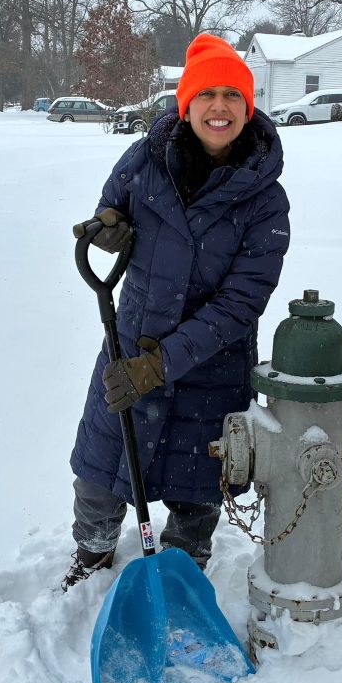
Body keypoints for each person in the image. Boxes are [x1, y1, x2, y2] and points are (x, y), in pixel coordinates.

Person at [63, 33, 290, 591]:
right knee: (102, 467)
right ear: (186, 104)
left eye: (232, 95)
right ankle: (92, 551)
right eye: (207, 94)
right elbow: (112, 202)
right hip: (130, 344)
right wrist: (109, 225)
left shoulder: (265, 198)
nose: (220, 107)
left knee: (196, 488)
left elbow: (241, 304)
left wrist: (164, 363)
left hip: (210, 363)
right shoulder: (145, 158)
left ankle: (181, 575)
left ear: (248, 106)